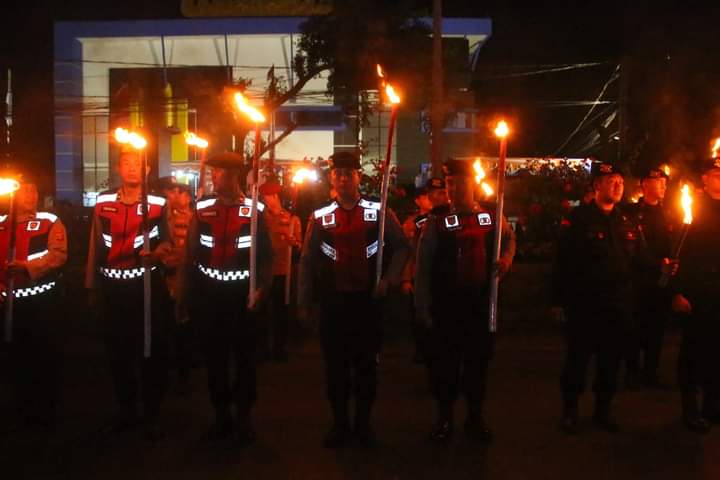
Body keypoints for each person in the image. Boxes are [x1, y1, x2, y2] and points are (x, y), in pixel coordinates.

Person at [298, 151, 409, 448]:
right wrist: (304, 301)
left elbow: (401, 247)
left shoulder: (378, 211)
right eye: (338, 174)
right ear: (331, 178)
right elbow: (307, 261)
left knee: (365, 368)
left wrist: (389, 279)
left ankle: (363, 424)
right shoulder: (321, 217)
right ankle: (339, 424)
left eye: (349, 173)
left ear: (359, 177)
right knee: (335, 368)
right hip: (333, 305)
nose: (343, 178)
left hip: (367, 303)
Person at [551, 162, 665, 434]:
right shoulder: (579, 220)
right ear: (596, 186)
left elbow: (641, 256)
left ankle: (603, 410)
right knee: (577, 360)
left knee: (610, 361)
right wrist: (556, 301)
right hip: (586, 304)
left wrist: (663, 264)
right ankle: (570, 411)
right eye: (611, 181)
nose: (617, 186)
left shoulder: (626, 220)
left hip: (617, 305)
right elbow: (562, 264)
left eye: (620, 182)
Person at [414, 159, 515, 444]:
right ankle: (444, 418)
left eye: (460, 183)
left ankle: (475, 417)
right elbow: (423, 267)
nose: (454, 189)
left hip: (480, 305)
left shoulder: (492, 216)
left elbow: (509, 240)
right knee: (445, 366)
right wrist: (422, 305)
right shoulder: (436, 221)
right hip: (447, 305)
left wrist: (506, 260)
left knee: (478, 365)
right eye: (450, 184)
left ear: (473, 184)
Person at [177, 152, 273, 445]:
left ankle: (244, 417)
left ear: (234, 176)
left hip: (242, 298)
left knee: (245, 360)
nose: (214, 178)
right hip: (210, 298)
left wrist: (261, 289)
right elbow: (189, 255)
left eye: (219, 173)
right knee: (215, 360)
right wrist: (184, 296)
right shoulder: (202, 208)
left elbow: (266, 257)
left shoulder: (255, 210)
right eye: (213, 173)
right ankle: (221, 416)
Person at [85, 147, 173, 441]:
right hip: (113, 289)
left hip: (145, 288)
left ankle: (151, 415)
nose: (132, 168)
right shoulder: (103, 202)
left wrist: (158, 254)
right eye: (126, 163)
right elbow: (95, 247)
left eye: (137, 164)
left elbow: (169, 243)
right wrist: (92, 287)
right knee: (118, 353)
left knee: (150, 351)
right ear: (119, 169)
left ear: (146, 170)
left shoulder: (159, 204)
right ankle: (126, 411)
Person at [0, 173, 67, 433]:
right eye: (25, 190)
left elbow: (57, 256)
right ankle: (22, 409)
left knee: (45, 357)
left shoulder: (49, 222)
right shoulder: (2, 224)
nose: (31, 196)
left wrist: (27, 267)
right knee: (18, 359)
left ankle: (48, 410)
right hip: (10, 306)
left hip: (42, 305)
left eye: (34, 190)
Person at [671, 156, 720, 433]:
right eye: (715, 174)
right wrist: (678, 292)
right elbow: (677, 254)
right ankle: (690, 409)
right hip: (696, 291)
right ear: (705, 178)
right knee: (693, 352)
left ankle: (713, 406)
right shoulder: (691, 209)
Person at [624, 166, 672, 389]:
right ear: (644, 184)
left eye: (664, 181)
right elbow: (632, 248)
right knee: (634, 329)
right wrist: (656, 263)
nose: (663, 185)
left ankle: (651, 372)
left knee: (656, 329)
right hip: (638, 282)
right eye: (658, 181)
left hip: (661, 283)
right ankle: (632, 372)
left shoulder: (670, 213)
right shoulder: (632, 213)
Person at [401, 178, 449, 364]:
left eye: (442, 192)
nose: (439, 197)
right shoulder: (416, 223)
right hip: (417, 275)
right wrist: (405, 278)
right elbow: (409, 252)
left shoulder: (448, 218)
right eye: (435, 193)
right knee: (419, 318)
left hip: (440, 277)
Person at [156, 176, 195, 395]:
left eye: (175, 192)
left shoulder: (192, 219)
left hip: (182, 280)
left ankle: (184, 372)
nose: (170, 196)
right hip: (164, 279)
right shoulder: (163, 218)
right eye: (169, 192)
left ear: (186, 197)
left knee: (183, 328)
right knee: (165, 326)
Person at [259, 178, 302, 362]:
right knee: (261, 312)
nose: (267, 199)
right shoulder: (261, 219)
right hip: (265, 271)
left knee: (281, 311)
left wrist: (294, 242)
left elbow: (300, 245)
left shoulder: (292, 219)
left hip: (284, 272)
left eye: (269, 195)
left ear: (276, 196)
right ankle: (261, 348)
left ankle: (279, 347)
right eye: (264, 195)